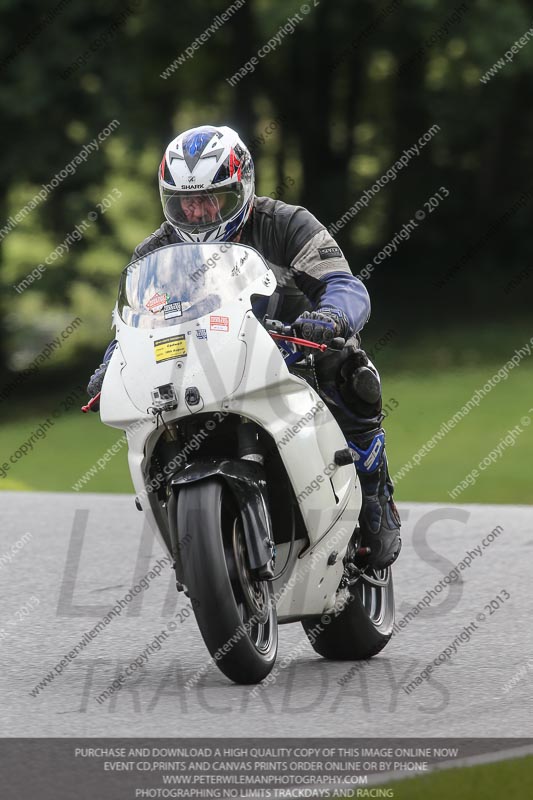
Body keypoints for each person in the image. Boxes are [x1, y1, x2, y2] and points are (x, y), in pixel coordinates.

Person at [88, 125, 401, 569]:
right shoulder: (153, 254)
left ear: (242, 188)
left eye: (211, 198)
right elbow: (129, 327)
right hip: (197, 367)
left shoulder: (286, 223)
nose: (197, 212)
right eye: (184, 202)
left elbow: (344, 285)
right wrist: (109, 366)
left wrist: (328, 318)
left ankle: (374, 493)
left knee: (351, 373)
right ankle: (190, 535)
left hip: (293, 350)